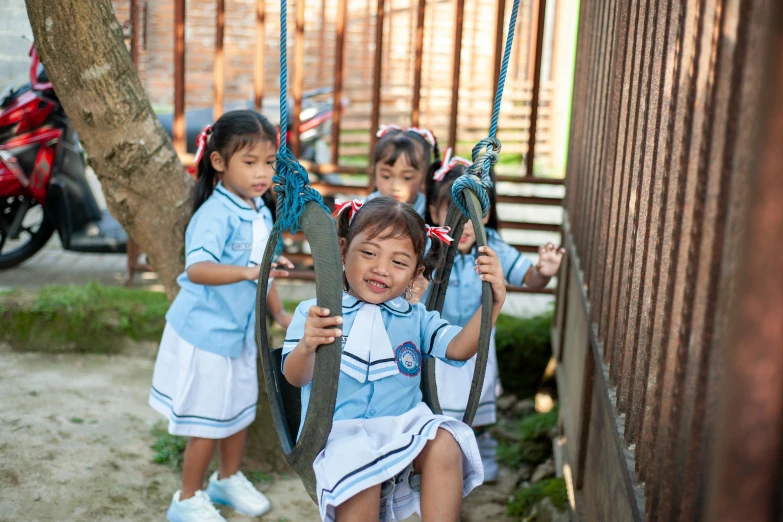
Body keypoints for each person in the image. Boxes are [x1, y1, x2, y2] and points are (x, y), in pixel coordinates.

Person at [282, 197, 509, 521]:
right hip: (340, 432)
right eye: (369, 253)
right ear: (343, 251)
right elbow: (294, 377)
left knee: (445, 440)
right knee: (361, 478)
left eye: (399, 263)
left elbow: (460, 348)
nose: (381, 269)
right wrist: (307, 346)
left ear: (416, 273)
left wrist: (493, 304)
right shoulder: (318, 312)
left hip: (404, 426)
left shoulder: (417, 318)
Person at [148, 110, 293, 522]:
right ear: (219, 162)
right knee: (208, 421)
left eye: (269, 162)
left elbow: (263, 270)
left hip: (242, 335)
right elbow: (197, 269)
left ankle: (226, 479)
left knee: (239, 411)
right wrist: (248, 272)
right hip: (206, 336)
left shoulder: (260, 210)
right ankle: (186, 499)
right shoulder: (215, 214)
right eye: (250, 163)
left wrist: (278, 311)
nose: (262, 172)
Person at [424, 156, 564, 481]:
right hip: (437, 346)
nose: (466, 225)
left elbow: (527, 277)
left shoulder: (492, 248)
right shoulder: (427, 247)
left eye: (475, 215)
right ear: (433, 211)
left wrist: (544, 271)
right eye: (454, 212)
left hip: (477, 347)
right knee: (434, 405)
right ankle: (436, 460)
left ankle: (481, 454)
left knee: (478, 408)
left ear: (486, 213)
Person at [366, 124, 440, 218]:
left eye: (407, 178)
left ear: (424, 177)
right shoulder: (366, 208)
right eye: (386, 176)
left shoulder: (429, 212)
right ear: (374, 172)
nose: (395, 187)